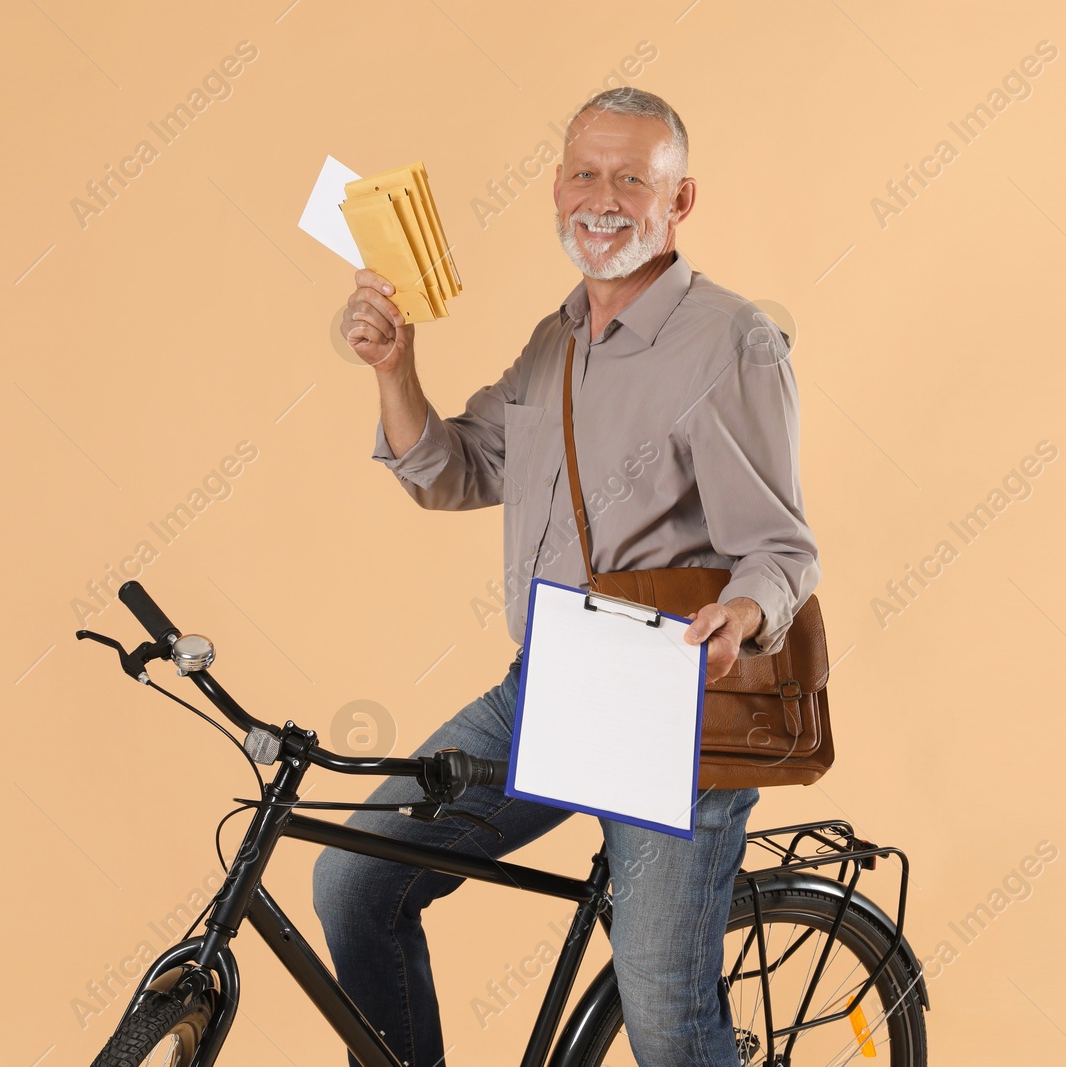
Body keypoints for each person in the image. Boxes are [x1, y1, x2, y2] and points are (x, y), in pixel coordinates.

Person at [314, 86, 820, 1067]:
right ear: (554, 190)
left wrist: (742, 609)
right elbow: (459, 469)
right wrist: (394, 369)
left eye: (634, 178)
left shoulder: (730, 341)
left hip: (677, 708)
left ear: (680, 201)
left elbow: (782, 548)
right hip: (548, 684)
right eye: (586, 174)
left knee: (669, 1026)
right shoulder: (556, 341)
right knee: (356, 881)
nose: (604, 198)